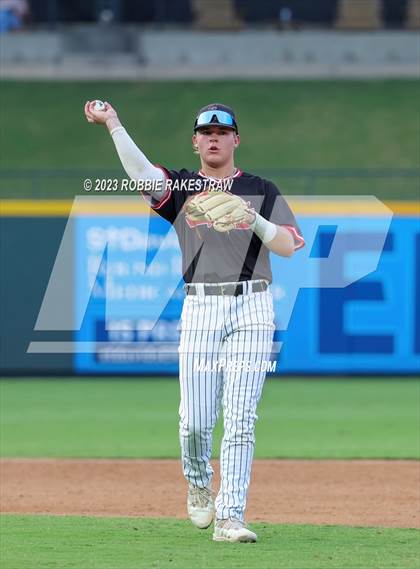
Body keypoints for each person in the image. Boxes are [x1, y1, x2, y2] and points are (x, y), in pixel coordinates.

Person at [84, 100, 305, 542]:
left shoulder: (262, 187)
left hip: (253, 305)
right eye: (206, 131)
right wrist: (114, 125)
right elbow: (142, 173)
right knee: (196, 422)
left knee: (241, 417)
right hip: (202, 306)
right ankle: (199, 481)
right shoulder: (184, 187)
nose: (214, 137)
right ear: (196, 140)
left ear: (236, 139)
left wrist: (254, 218)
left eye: (223, 131)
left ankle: (231, 517)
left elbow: (288, 246)